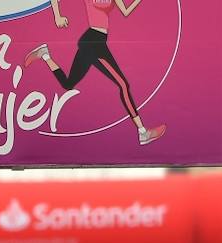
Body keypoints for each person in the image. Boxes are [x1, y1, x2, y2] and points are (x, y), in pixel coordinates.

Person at [24, 0, 166, 146]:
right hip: (93, 42)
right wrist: (57, 16)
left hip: (95, 42)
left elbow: (125, 11)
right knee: (123, 85)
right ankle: (142, 132)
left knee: (68, 84)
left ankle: (44, 54)